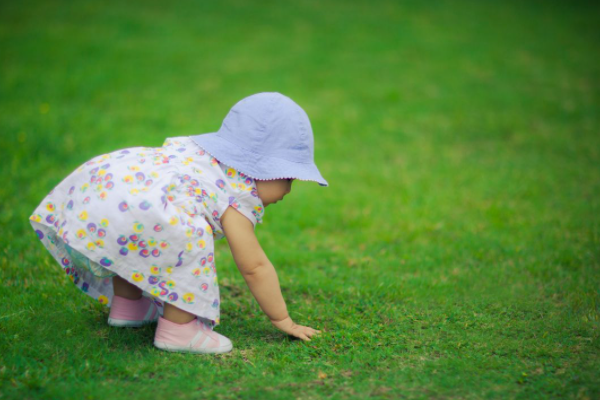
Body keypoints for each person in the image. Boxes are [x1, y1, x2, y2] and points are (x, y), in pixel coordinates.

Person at [29, 92, 328, 354]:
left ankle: (129, 306)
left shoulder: (202, 157)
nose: (288, 190)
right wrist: (282, 319)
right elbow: (254, 266)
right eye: (288, 178)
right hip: (152, 207)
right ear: (260, 169)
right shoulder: (238, 194)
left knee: (139, 232)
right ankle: (179, 329)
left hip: (119, 186)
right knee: (187, 239)